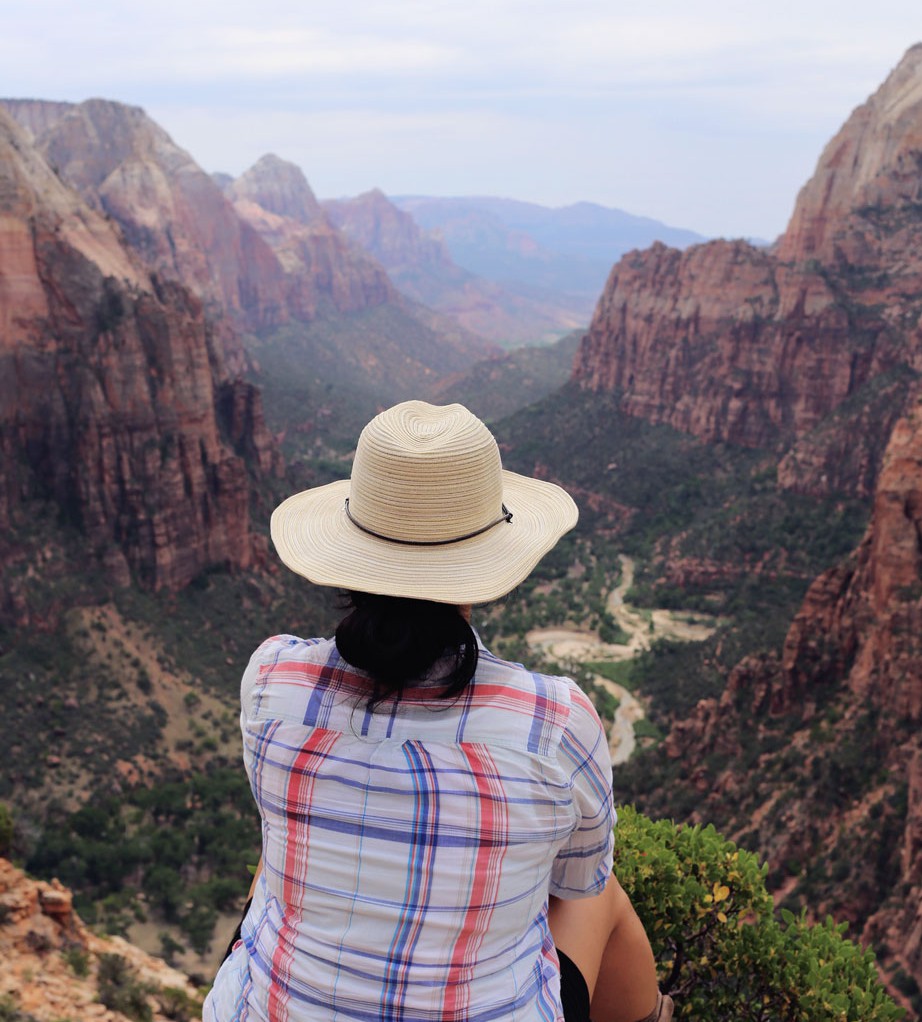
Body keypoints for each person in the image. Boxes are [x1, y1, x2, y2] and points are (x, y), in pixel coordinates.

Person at [204, 400, 672, 1022]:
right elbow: (577, 879)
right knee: (603, 896)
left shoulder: (270, 679)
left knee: (277, 859)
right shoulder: (556, 722)